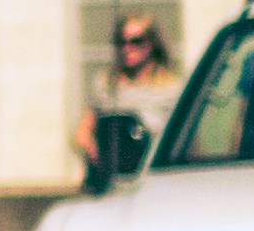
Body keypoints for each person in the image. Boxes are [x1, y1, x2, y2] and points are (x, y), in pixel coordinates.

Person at [73, 14, 183, 191]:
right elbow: (83, 130)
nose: (127, 48)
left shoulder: (172, 88)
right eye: (121, 41)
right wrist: (92, 150)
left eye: (136, 41)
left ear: (151, 44)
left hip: (151, 181)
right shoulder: (106, 84)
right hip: (109, 182)